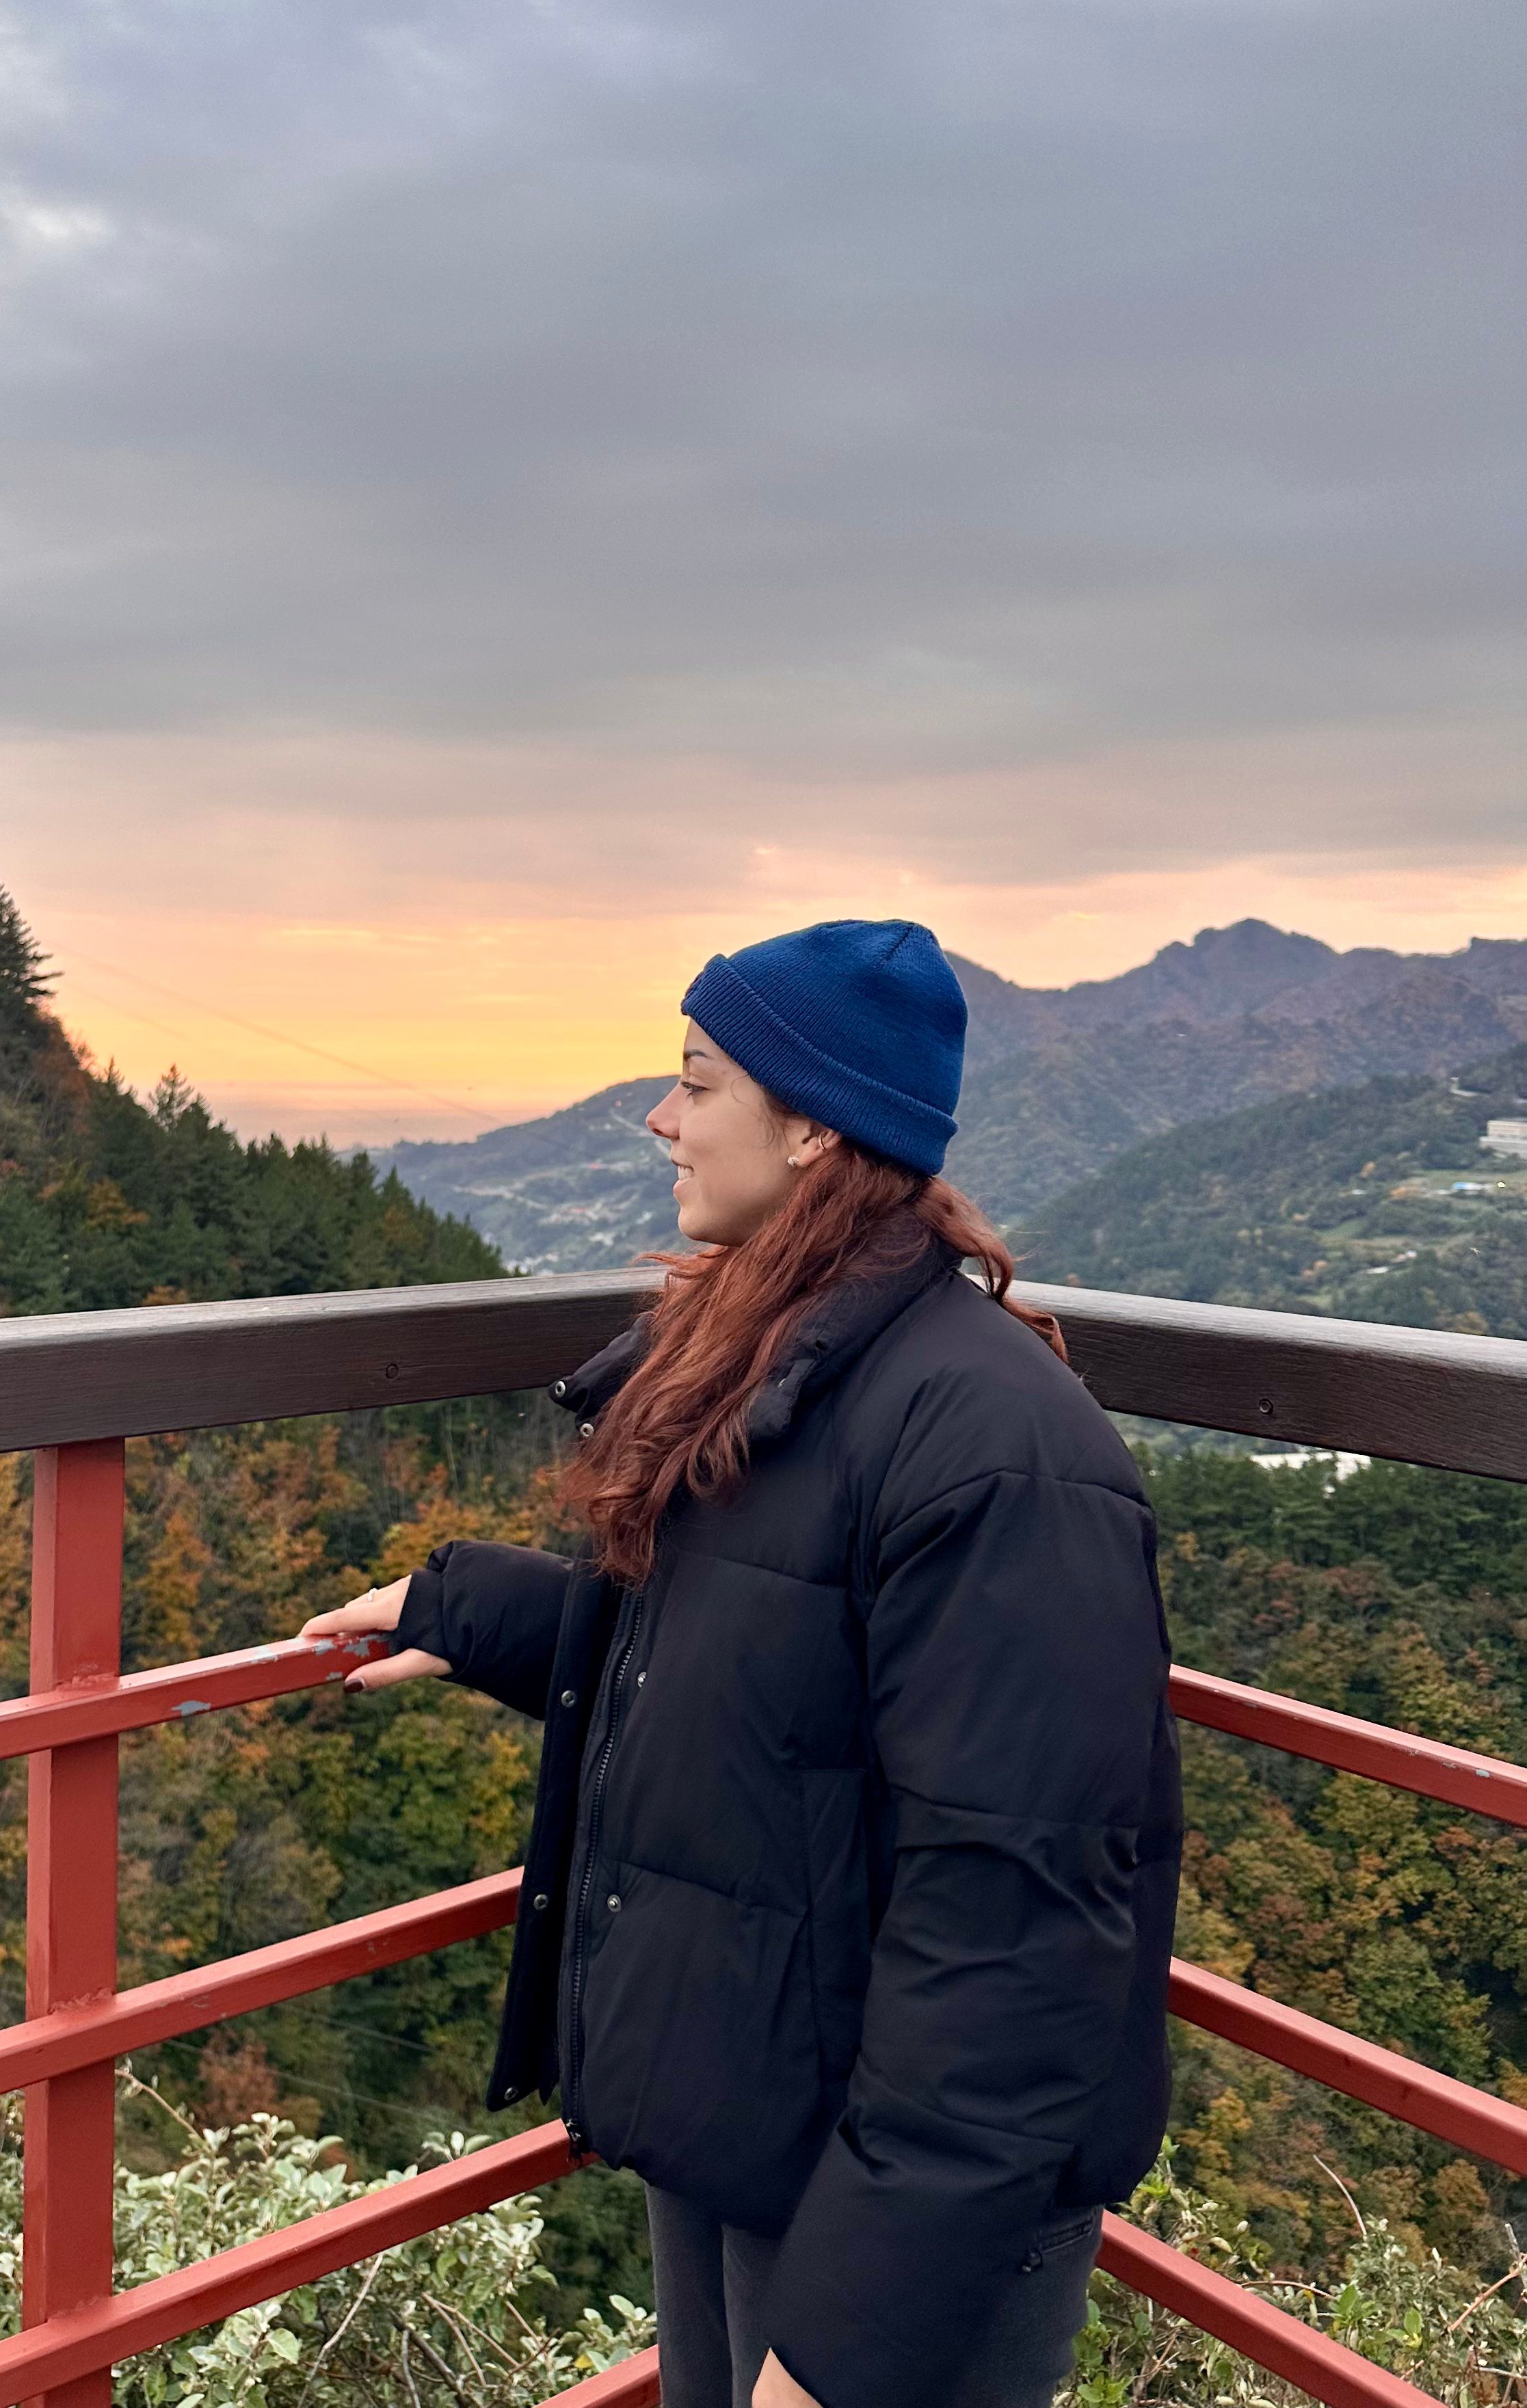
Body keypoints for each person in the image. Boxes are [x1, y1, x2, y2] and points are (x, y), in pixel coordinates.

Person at [302, 919, 1180, 2408]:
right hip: (765, 2120)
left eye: (698, 1081)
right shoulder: (795, 1364)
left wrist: (840, 2352)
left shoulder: (995, 1453)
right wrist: (477, 1613)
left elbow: (1014, 1939)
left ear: (814, 1121)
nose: (660, 1115)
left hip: (902, 2223)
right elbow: (764, 1667)